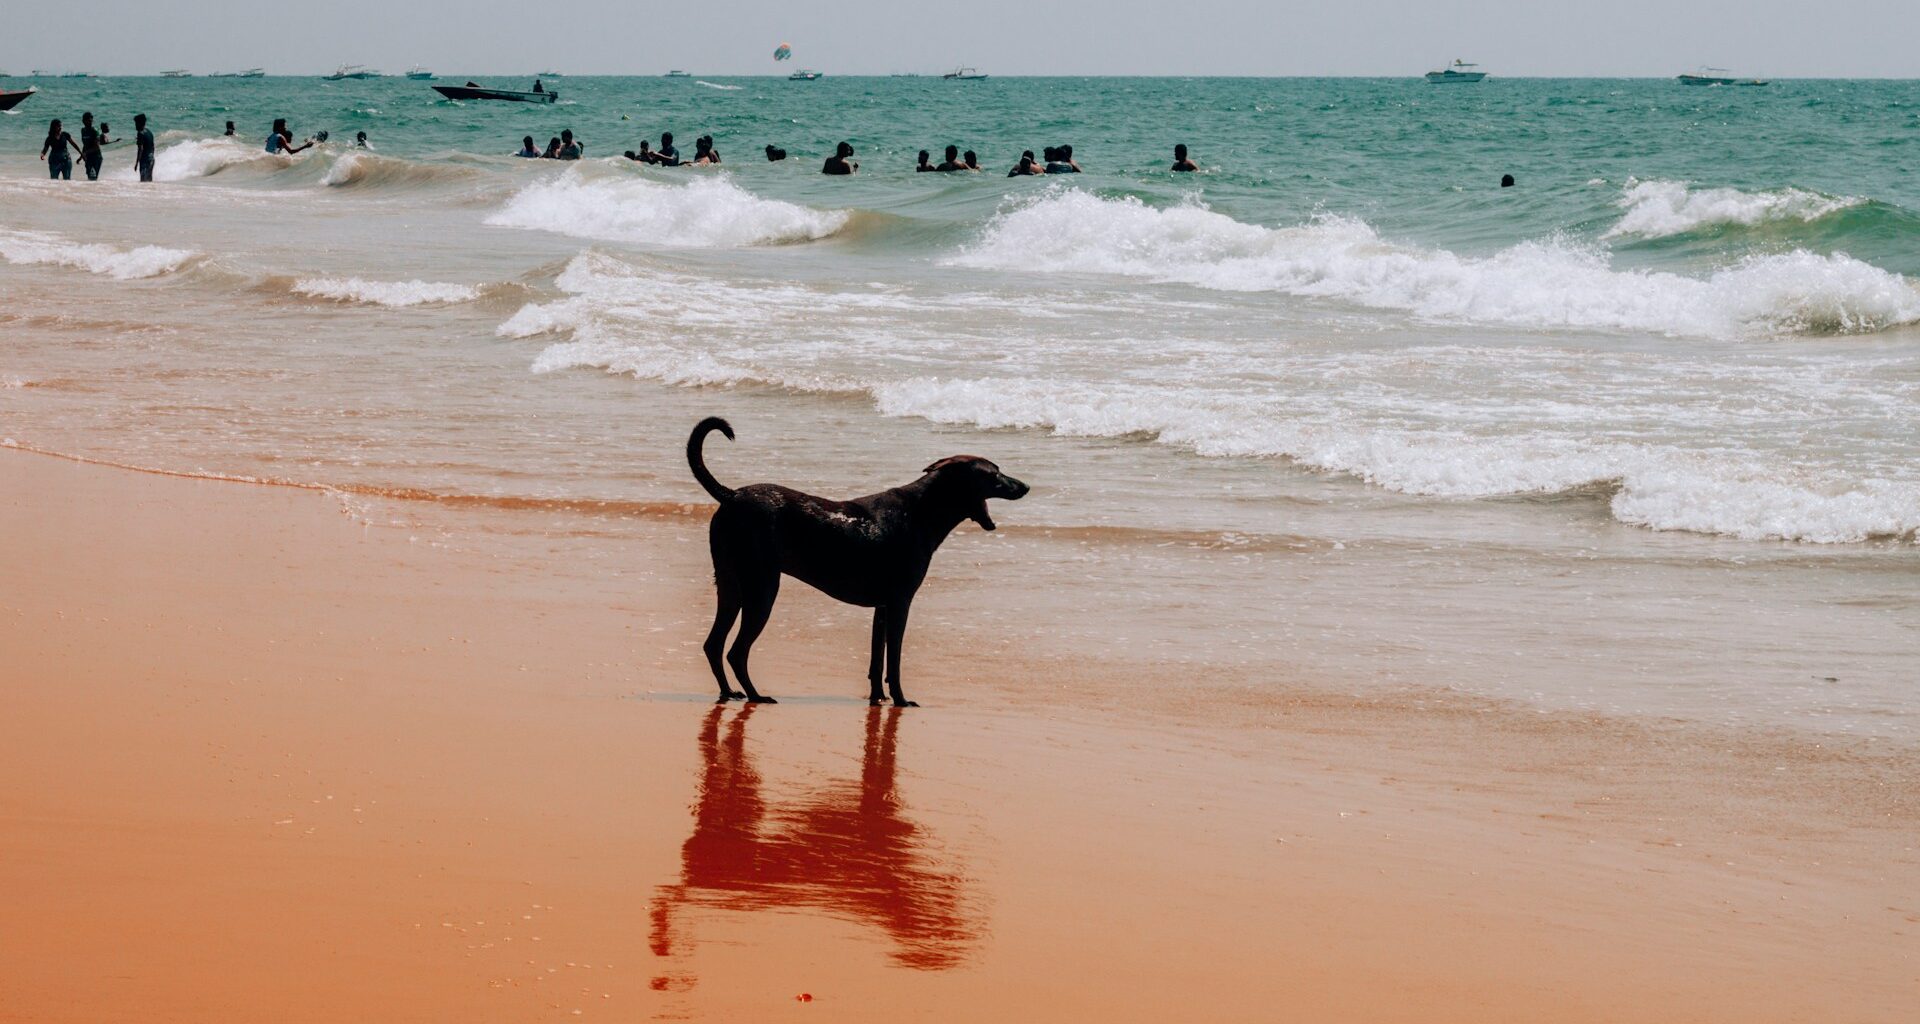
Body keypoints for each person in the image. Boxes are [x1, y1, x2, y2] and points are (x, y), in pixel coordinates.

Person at [79, 112, 104, 180]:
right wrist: (81, 156)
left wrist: (85, 153)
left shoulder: (95, 131)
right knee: (89, 178)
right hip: (88, 157)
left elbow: (97, 147)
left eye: (91, 120)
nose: (90, 122)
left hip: (96, 157)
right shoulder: (83, 130)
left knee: (93, 178)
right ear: (83, 121)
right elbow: (85, 145)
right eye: (88, 120)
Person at [133, 113, 155, 182]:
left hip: (145, 161)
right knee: (149, 180)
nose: (135, 125)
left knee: (143, 181)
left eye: (136, 123)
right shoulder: (149, 131)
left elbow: (141, 149)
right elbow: (153, 146)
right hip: (151, 159)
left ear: (140, 123)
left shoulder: (140, 133)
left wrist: (137, 163)